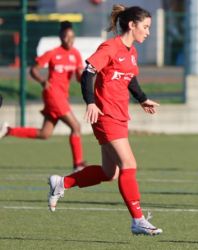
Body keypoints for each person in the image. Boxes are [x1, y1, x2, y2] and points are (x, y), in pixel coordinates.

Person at [46, 4, 162, 236]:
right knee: (129, 165)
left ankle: (62, 183)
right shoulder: (110, 47)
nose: (148, 32)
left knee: (111, 173)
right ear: (132, 25)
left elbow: (130, 79)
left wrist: (142, 99)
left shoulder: (132, 52)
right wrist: (90, 101)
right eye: (146, 27)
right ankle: (137, 219)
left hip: (120, 116)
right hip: (105, 115)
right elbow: (88, 72)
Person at [0, 21, 86, 171]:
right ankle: (78, 164)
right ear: (60, 37)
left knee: (45, 133)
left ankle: (8, 130)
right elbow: (34, 70)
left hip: (61, 96)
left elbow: (79, 78)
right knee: (76, 126)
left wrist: (83, 75)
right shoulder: (53, 53)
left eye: (72, 37)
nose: (69, 40)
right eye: (66, 37)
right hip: (52, 94)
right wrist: (42, 81)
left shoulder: (76, 54)